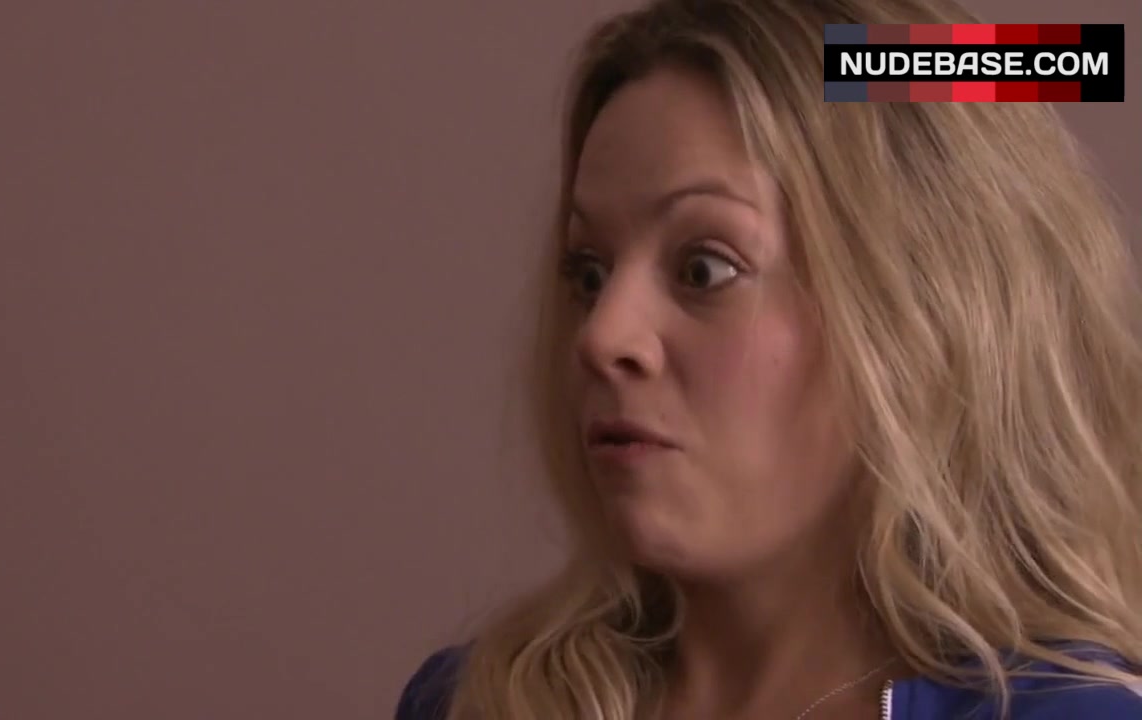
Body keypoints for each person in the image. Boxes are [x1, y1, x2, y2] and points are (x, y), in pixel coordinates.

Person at [397, 0, 1142, 717]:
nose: (601, 335)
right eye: (589, 274)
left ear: (925, 320)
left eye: (703, 269)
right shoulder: (476, 701)